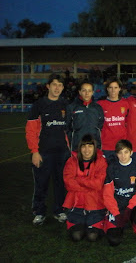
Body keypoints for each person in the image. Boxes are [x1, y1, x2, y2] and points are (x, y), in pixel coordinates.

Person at [26, 73, 70, 225]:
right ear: (48, 86)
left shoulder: (65, 105)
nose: (57, 88)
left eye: (60, 85)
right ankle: (39, 211)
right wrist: (34, 151)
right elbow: (31, 130)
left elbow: (69, 129)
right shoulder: (38, 105)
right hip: (43, 153)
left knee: (61, 184)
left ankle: (59, 211)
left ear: (63, 88)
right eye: (54, 84)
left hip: (62, 153)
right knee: (41, 183)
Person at [103, 139, 136, 246]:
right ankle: (116, 222)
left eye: (126, 152)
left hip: (134, 203)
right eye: (120, 153)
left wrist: (130, 208)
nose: (123, 156)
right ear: (116, 154)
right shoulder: (111, 168)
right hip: (118, 203)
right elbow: (107, 194)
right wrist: (115, 213)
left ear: (131, 152)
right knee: (114, 240)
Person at [63, 134, 107, 242]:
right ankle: (81, 222)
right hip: (76, 204)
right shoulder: (72, 161)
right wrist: (89, 186)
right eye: (83, 146)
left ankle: (95, 223)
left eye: (90, 146)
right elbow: (68, 183)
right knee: (76, 236)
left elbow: (98, 184)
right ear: (79, 148)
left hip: (95, 204)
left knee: (92, 237)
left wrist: (79, 179)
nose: (87, 150)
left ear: (95, 147)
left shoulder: (101, 161)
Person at [66, 80, 104, 152]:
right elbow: (67, 127)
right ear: (80, 92)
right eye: (84, 90)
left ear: (92, 92)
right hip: (77, 147)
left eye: (89, 91)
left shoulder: (98, 108)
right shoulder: (71, 107)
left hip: (94, 146)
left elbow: (100, 126)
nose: (87, 93)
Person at [97, 77, 129, 163]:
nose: (113, 90)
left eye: (115, 87)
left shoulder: (125, 104)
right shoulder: (100, 104)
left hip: (121, 146)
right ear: (107, 89)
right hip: (106, 146)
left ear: (120, 89)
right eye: (110, 87)